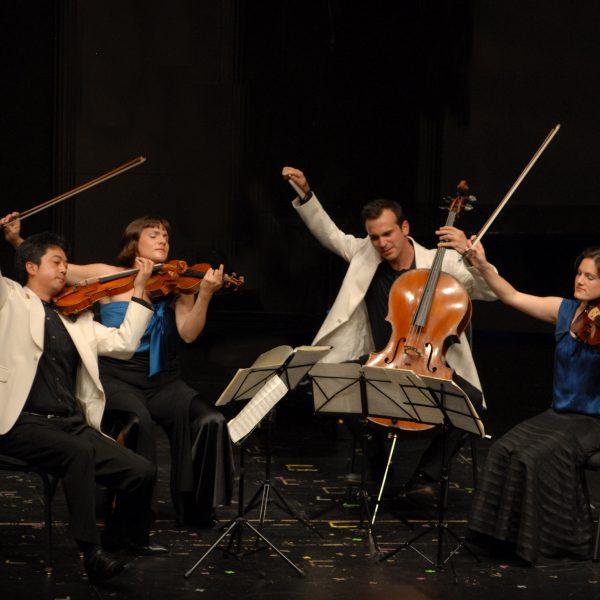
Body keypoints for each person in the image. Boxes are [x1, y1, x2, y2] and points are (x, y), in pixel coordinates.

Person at [2, 213, 234, 527]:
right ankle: (135, 514)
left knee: (210, 419)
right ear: (134, 242)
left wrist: (204, 294)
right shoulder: (109, 275)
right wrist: (16, 240)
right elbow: (55, 269)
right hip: (118, 375)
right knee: (138, 420)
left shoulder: (179, 284)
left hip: (162, 378)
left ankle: (196, 509)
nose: (163, 240)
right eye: (153, 235)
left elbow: (189, 334)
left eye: (166, 236)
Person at [280, 167, 497, 501]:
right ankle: (378, 464)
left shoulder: (441, 262)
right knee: (332, 385)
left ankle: (426, 475)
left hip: (430, 363)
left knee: (474, 405)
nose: (382, 243)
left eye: (387, 234)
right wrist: (306, 193)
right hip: (383, 361)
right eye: (374, 237)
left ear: (404, 228)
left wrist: (471, 256)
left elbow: (489, 291)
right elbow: (330, 234)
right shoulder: (365, 256)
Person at [0, 226, 167, 583]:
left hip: (69, 423)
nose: (65, 269)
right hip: (21, 422)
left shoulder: (76, 317)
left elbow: (124, 343)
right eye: (56, 262)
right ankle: (91, 555)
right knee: (78, 453)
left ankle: (115, 540)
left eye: (66, 263)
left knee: (141, 471)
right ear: (31, 267)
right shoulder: (10, 300)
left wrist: (139, 289)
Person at [465, 242, 600, 564]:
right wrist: (482, 264)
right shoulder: (564, 310)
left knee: (532, 457)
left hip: (592, 422)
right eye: (579, 273)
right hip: (558, 415)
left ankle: (549, 542)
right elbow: (511, 296)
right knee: (502, 450)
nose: (580, 280)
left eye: (590, 277)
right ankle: (498, 539)